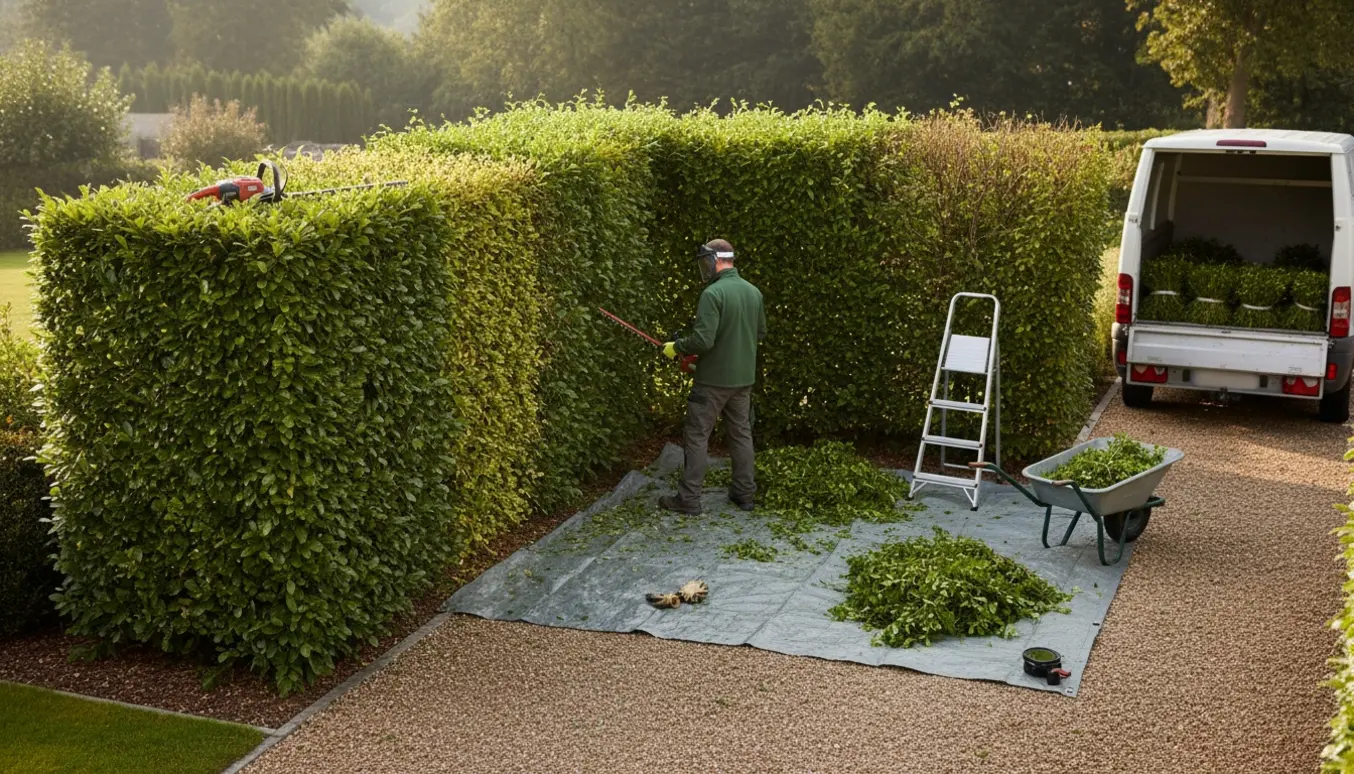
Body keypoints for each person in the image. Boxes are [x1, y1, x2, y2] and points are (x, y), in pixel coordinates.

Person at [659, 239, 766, 515]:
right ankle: (745, 495)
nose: (704, 268)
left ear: (715, 260)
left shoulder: (713, 293)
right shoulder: (753, 292)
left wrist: (677, 348)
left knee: (697, 435)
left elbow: (703, 340)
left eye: (705, 262)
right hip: (743, 381)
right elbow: (758, 333)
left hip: (711, 384)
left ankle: (689, 499)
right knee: (741, 434)